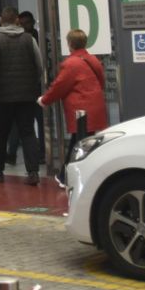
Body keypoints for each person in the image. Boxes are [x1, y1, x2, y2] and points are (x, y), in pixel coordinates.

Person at [0, 7, 46, 185]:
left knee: (1, 132)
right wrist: (33, 82)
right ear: (17, 20)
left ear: (1, 20)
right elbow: (39, 65)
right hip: (27, 94)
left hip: (3, 96)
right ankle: (33, 173)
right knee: (28, 132)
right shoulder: (29, 39)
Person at [39, 28, 107, 187]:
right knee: (83, 142)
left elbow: (59, 86)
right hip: (95, 107)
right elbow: (101, 82)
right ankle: (67, 176)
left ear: (69, 44)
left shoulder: (70, 64)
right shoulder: (93, 60)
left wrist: (44, 100)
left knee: (78, 144)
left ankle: (66, 177)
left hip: (80, 111)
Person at [6, 11, 47, 167]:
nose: (24, 26)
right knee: (19, 123)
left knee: (39, 122)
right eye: (21, 24)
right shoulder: (24, 40)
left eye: (26, 23)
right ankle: (12, 153)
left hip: (35, 89)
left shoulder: (35, 40)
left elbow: (39, 65)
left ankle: (41, 154)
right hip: (25, 89)